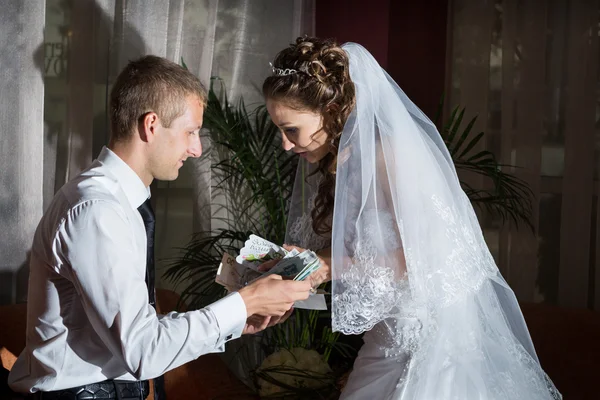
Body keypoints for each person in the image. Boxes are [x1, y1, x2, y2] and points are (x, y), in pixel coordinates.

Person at [261, 37, 562, 399]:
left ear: (333, 108)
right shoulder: (346, 163)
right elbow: (367, 258)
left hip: (425, 347)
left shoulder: (392, 157)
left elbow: (429, 257)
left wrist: (328, 266)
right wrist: (301, 272)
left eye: (291, 129)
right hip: (384, 344)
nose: (285, 144)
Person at [8, 55, 311, 399]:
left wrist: (238, 320)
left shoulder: (122, 201)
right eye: (191, 132)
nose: (196, 149)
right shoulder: (97, 211)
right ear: (151, 125)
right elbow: (142, 350)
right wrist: (243, 301)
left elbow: (141, 333)